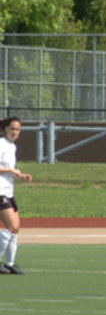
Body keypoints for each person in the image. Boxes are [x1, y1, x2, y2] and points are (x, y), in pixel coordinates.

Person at [0, 116, 32, 274]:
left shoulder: (12, 146)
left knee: (16, 228)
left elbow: (7, 169)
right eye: (12, 129)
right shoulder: (1, 143)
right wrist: (12, 170)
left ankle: (9, 264)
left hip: (8, 191)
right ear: (5, 129)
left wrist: (20, 175)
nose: (15, 132)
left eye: (18, 129)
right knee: (11, 226)